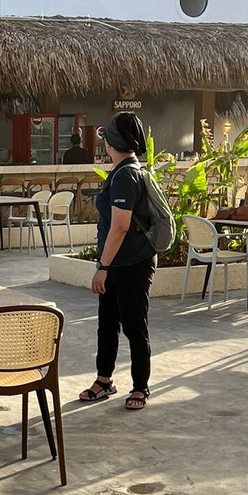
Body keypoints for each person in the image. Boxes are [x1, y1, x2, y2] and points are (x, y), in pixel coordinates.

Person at [78, 112, 157, 412]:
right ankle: (104, 380)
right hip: (118, 261)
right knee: (108, 323)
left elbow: (121, 226)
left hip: (130, 263)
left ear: (111, 143)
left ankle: (140, 386)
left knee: (134, 325)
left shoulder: (125, 175)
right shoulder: (125, 170)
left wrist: (103, 267)